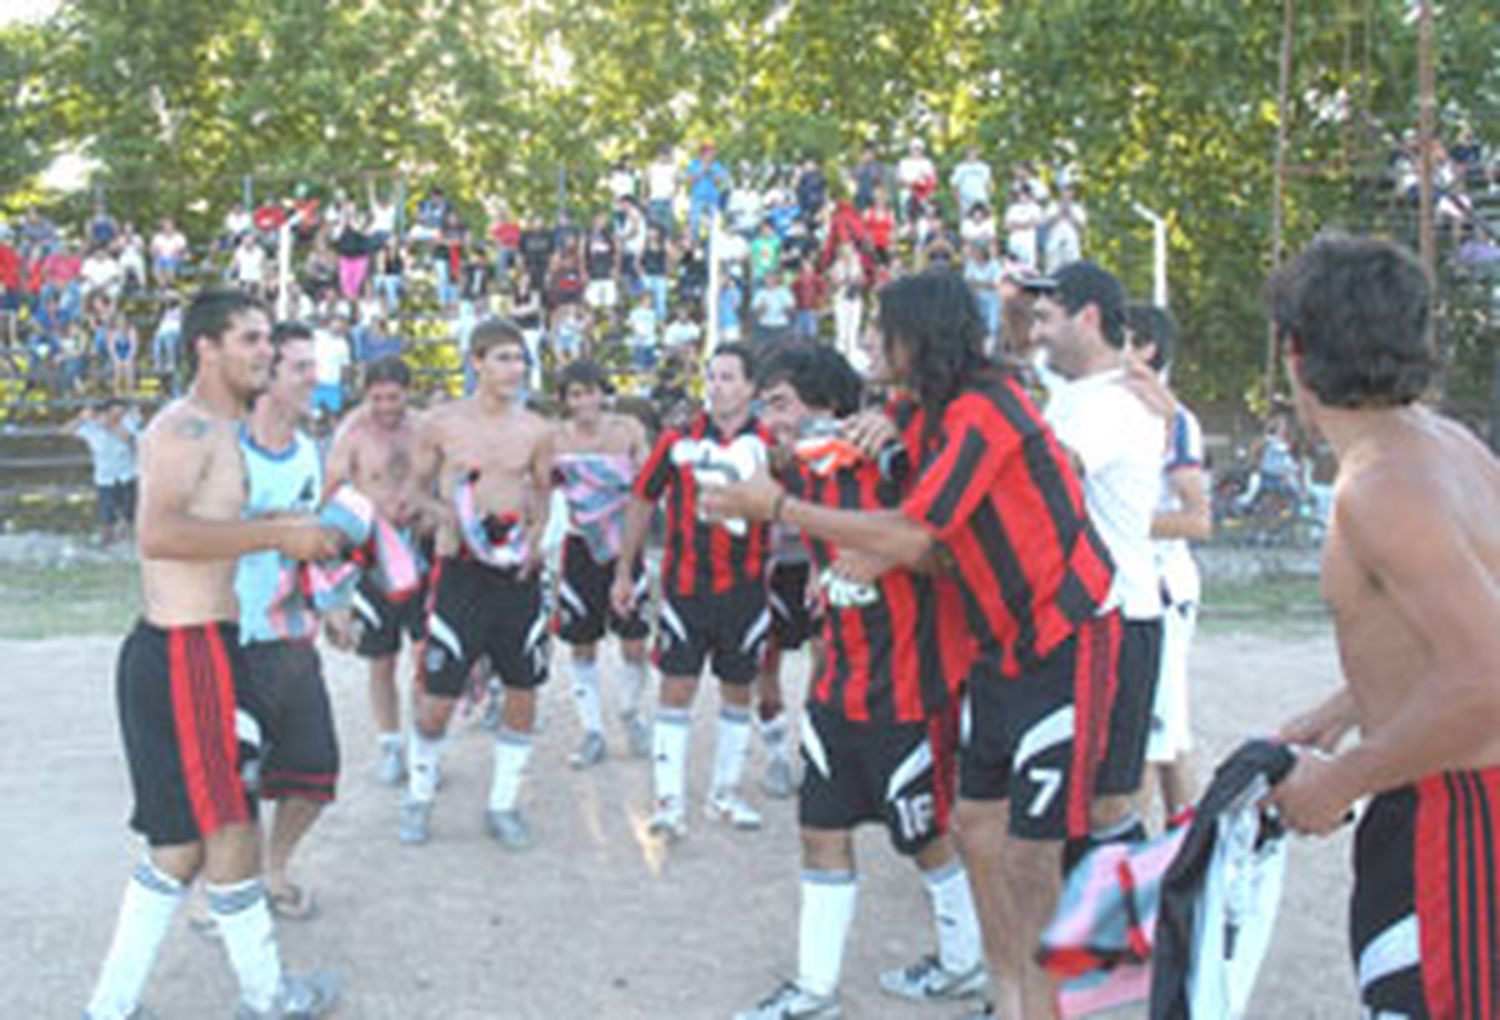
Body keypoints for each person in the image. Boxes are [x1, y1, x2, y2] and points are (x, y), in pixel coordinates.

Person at [702, 271, 1115, 1019]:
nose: (868, 346)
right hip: (1000, 645)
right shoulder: (920, 406)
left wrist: (780, 506)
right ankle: (1004, 992)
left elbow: (917, 538)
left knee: (1033, 851)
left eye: (879, 332)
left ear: (916, 337)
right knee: (977, 830)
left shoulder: (983, 413)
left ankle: (1050, 1002)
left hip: (1067, 633)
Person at [83, 289, 341, 1020]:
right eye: (251, 339)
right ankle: (267, 997)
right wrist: (276, 537)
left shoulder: (221, 431)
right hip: (184, 650)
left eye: (269, 341)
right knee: (228, 829)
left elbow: (211, 522)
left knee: (180, 845)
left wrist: (287, 526)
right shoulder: (187, 429)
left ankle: (110, 1007)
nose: (265, 351)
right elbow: (159, 534)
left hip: (197, 648)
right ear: (207, 347)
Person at [1266, 235, 1500, 1018]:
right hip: (1450, 805)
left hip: (1456, 814)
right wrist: (1340, 711)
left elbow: (1488, 678)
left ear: (1295, 355)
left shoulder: (1379, 489)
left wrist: (1341, 779)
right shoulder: (1448, 447)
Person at [734, 343, 985, 1020]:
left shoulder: (893, 460)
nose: (770, 420)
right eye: (764, 406)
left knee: (927, 836)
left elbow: (951, 553)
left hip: (909, 688)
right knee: (821, 830)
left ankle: (965, 964)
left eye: (781, 404)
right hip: (837, 684)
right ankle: (816, 992)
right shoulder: (800, 471)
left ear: (826, 403)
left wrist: (886, 554)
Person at [1026, 261, 1165, 856]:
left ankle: (1129, 942)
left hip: (1119, 617)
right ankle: (1092, 939)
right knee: (1074, 798)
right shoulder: (1076, 396)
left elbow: (1045, 476)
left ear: (1087, 318)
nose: (1036, 333)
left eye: (1045, 318)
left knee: (1107, 799)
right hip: (1079, 619)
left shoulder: (1113, 406)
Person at [399, 318, 554, 849]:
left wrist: (534, 538)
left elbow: (542, 498)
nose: (515, 369)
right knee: (438, 697)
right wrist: (445, 516)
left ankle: (503, 804)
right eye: (505, 358)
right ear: (477, 362)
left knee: (523, 690)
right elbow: (413, 491)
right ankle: (419, 795)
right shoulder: (441, 424)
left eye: (521, 360)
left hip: (516, 576)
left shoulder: (536, 429)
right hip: (460, 570)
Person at [612, 343, 775, 838]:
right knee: (676, 687)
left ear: (750, 387)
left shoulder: (771, 443)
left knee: (737, 690)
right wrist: (625, 570)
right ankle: (668, 803)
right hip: (686, 587)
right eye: (712, 376)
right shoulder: (677, 440)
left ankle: (725, 795)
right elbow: (642, 497)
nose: (717, 386)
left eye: (728, 377)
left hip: (746, 588)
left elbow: (798, 507)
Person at [232, 321, 342, 922]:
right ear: (267, 378)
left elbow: (310, 542)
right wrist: (274, 524)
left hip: (293, 640)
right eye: (300, 367)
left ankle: (273, 867)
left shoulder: (307, 452)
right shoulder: (226, 449)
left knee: (316, 769)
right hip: (232, 638)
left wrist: (332, 604)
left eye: (312, 365)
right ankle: (227, 890)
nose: (313, 378)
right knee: (233, 782)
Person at [1129, 303, 1212, 822]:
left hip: (1161, 591)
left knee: (1143, 744)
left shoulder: (1175, 421)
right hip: (1136, 587)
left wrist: (1116, 521)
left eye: (1123, 339)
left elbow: (1197, 519)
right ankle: (1190, 855)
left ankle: (1132, 878)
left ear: (1147, 350)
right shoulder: (1116, 411)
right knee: (1167, 735)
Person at [325, 356, 425, 786]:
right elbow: (331, 492)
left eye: (394, 397)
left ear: (407, 392)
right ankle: (390, 744)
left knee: (427, 659)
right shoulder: (352, 432)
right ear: (366, 395)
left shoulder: (424, 428)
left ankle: (423, 747)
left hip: (421, 552)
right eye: (378, 398)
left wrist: (426, 509)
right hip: (374, 556)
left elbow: (449, 479)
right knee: (381, 660)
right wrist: (367, 513)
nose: (386, 406)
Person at [550, 359, 654, 766]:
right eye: (576, 394)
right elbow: (539, 483)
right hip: (580, 549)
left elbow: (648, 483)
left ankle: (630, 711)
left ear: (603, 392)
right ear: (565, 401)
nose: (586, 401)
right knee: (582, 643)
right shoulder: (555, 438)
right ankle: (591, 730)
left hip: (625, 545)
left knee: (634, 642)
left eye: (591, 391)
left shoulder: (628, 430)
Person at [69, 398, 142, 546]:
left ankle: (126, 539)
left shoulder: (128, 422)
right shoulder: (92, 428)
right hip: (104, 478)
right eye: (115, 412)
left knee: (130, 512)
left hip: (127, 475)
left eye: (121, 412)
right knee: (106, 514)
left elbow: (127, 437)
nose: (118, 415)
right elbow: (65, 430)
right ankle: (107, 542)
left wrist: (111, 424)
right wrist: (81, 418)